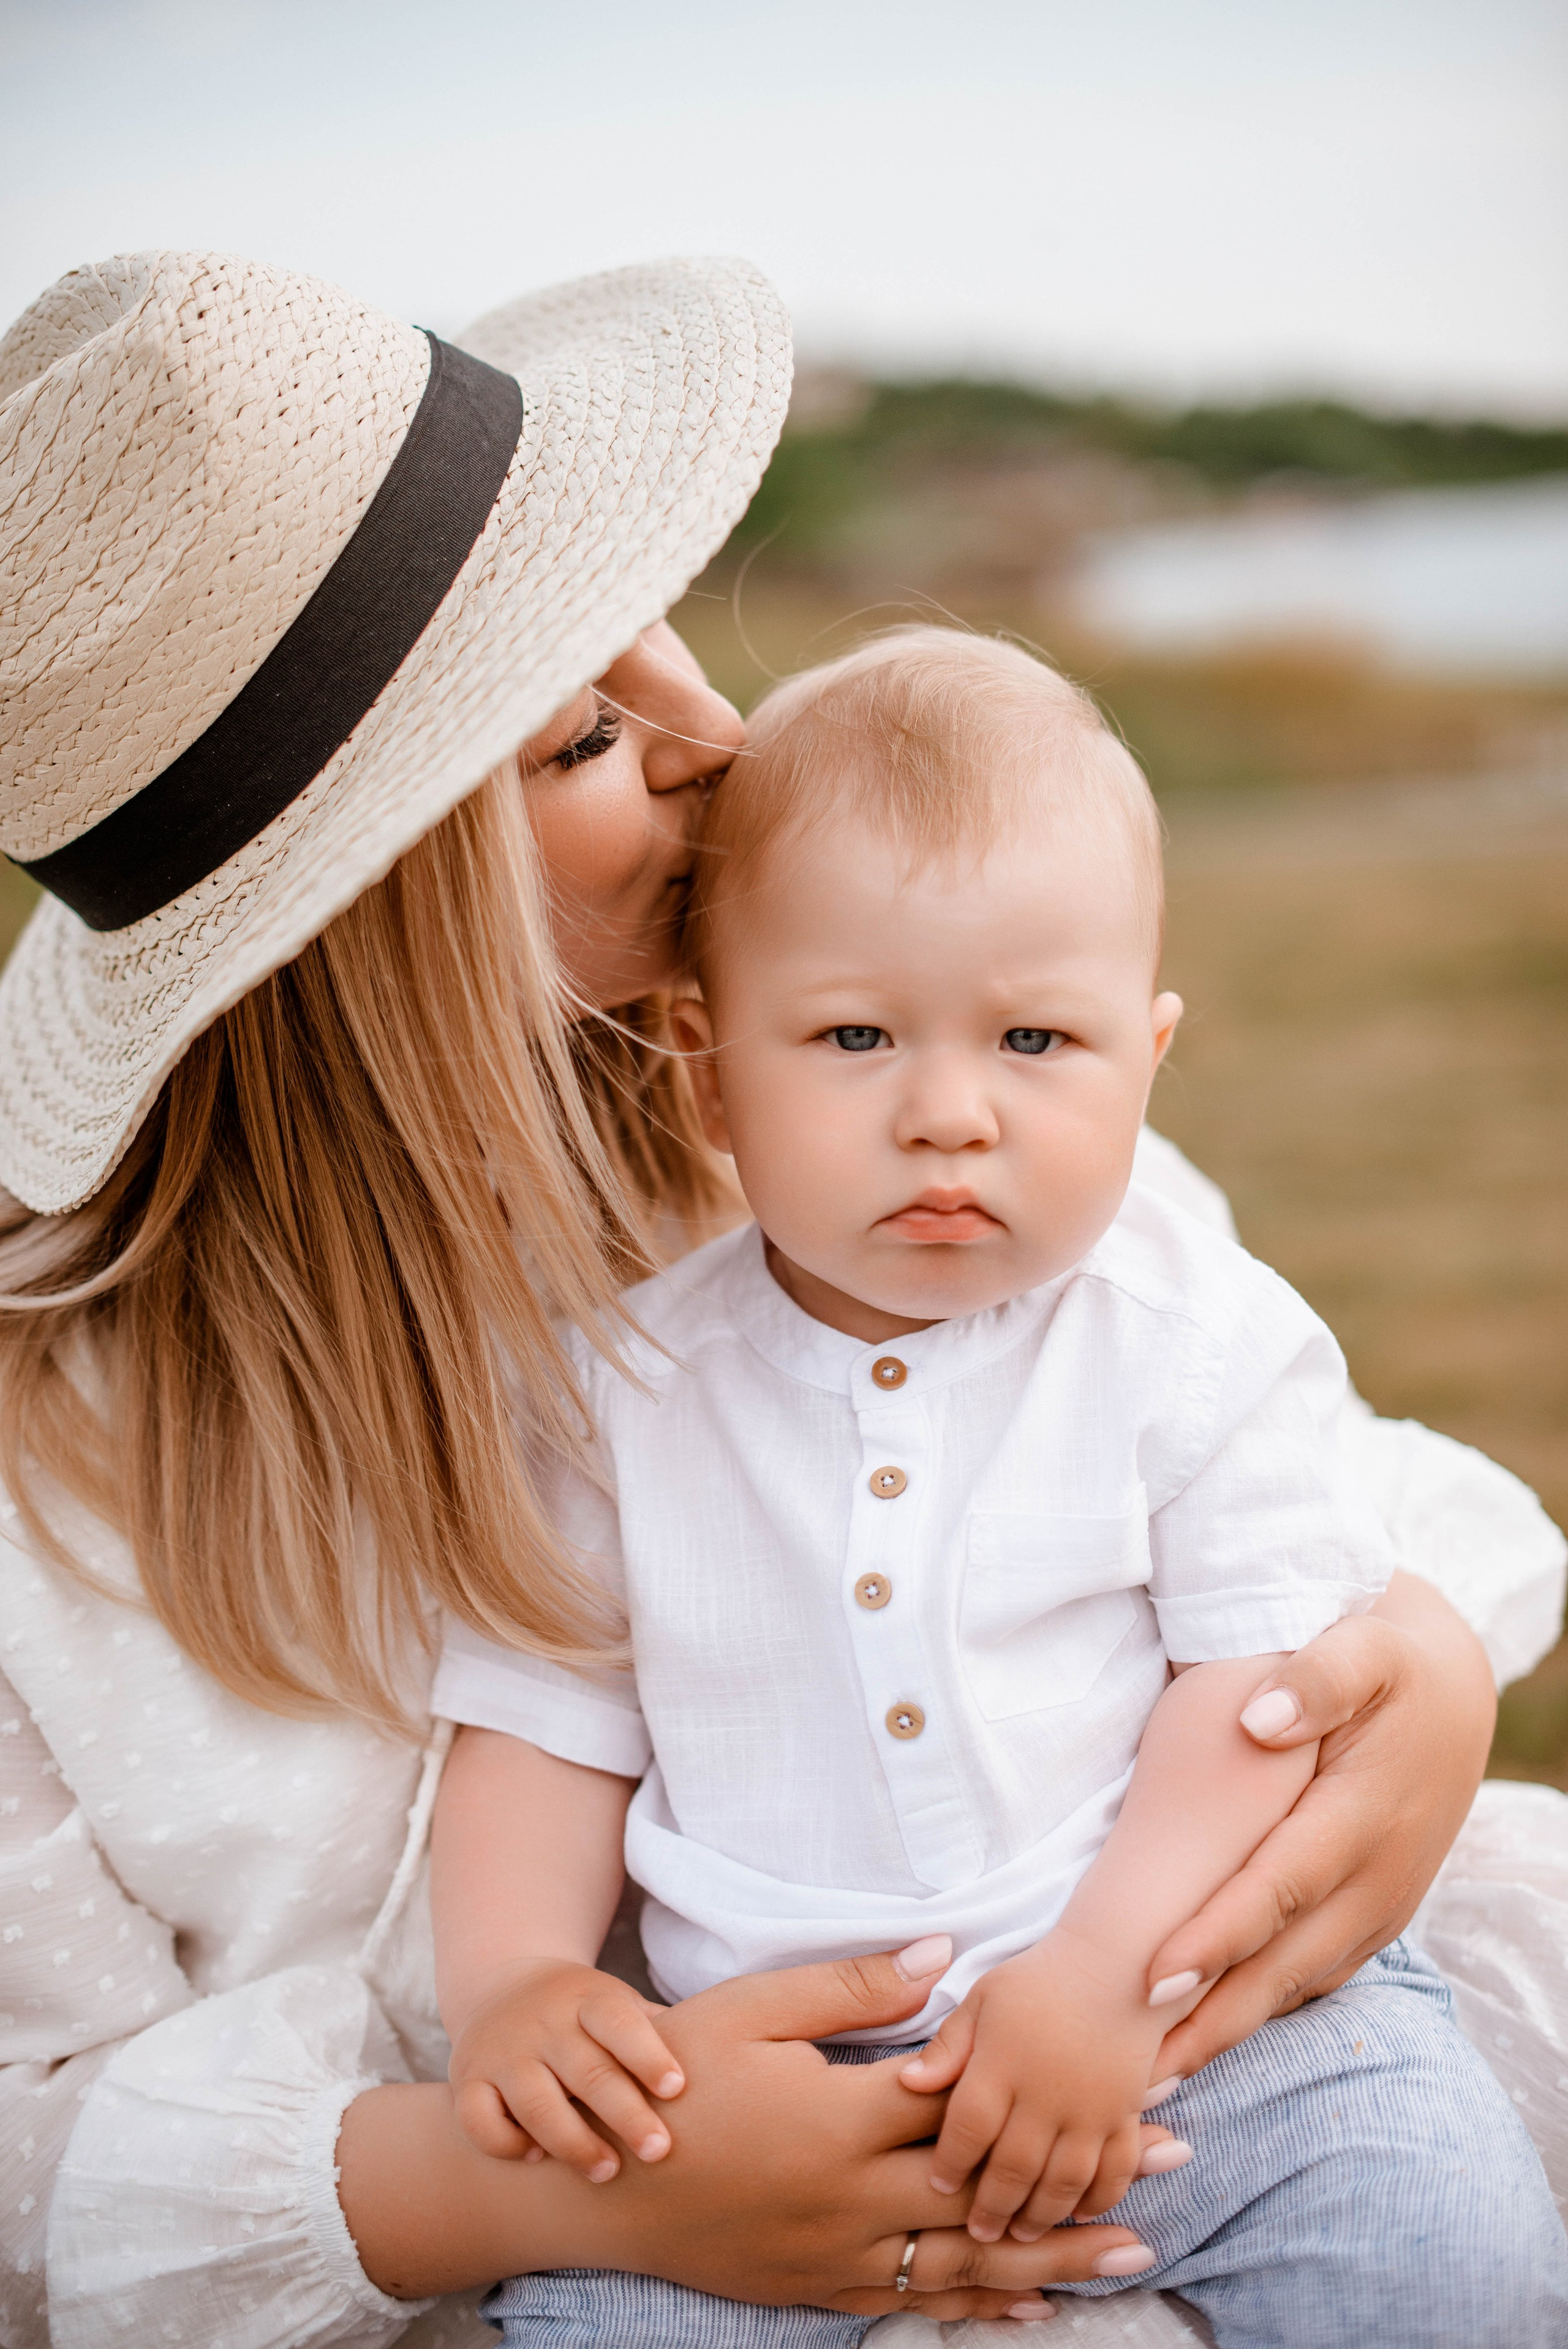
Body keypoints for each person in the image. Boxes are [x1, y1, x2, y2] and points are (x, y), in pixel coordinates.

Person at [0, 249, 1562, 2349]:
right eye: (578, 732)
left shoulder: (857, 1143)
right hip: (614, 2236)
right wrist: (491, 2169)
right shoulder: (53, 1477)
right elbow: (36, 2139)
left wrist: (1419, 1663)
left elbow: (1259, 1454)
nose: (719, 733)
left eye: (659, 625)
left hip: (1144, 2043)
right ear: (357, 919)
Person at [429, 631, 1567, 2348]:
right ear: (706, 1062)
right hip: (764, 2083)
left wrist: (1107, 1980)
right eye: (856, 1034)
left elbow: (1250, 1693)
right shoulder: (618, 1386)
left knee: (1439, 2240)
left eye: (1036, 1036)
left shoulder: (1191, 1336)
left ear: (1149, 1052)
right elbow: (541, 1719)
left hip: (1189, 2016)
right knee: (603, 2320)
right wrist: (515, 1979)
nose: (948, 1112)